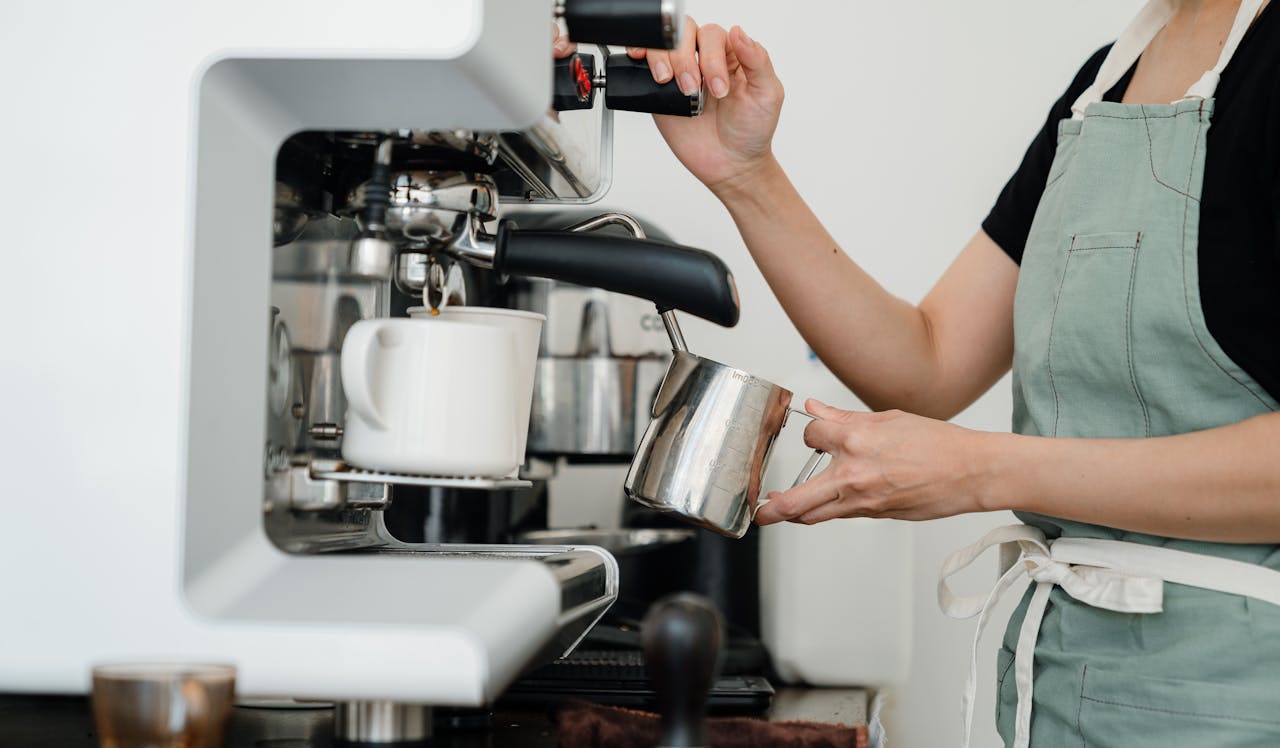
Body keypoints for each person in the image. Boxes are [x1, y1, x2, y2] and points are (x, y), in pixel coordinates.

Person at [562, 0, 1280, 744]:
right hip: (1061, 692)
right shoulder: (1103, 85)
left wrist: (983, 472)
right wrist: (745, 172)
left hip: (1238, 699)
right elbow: (929, 363)